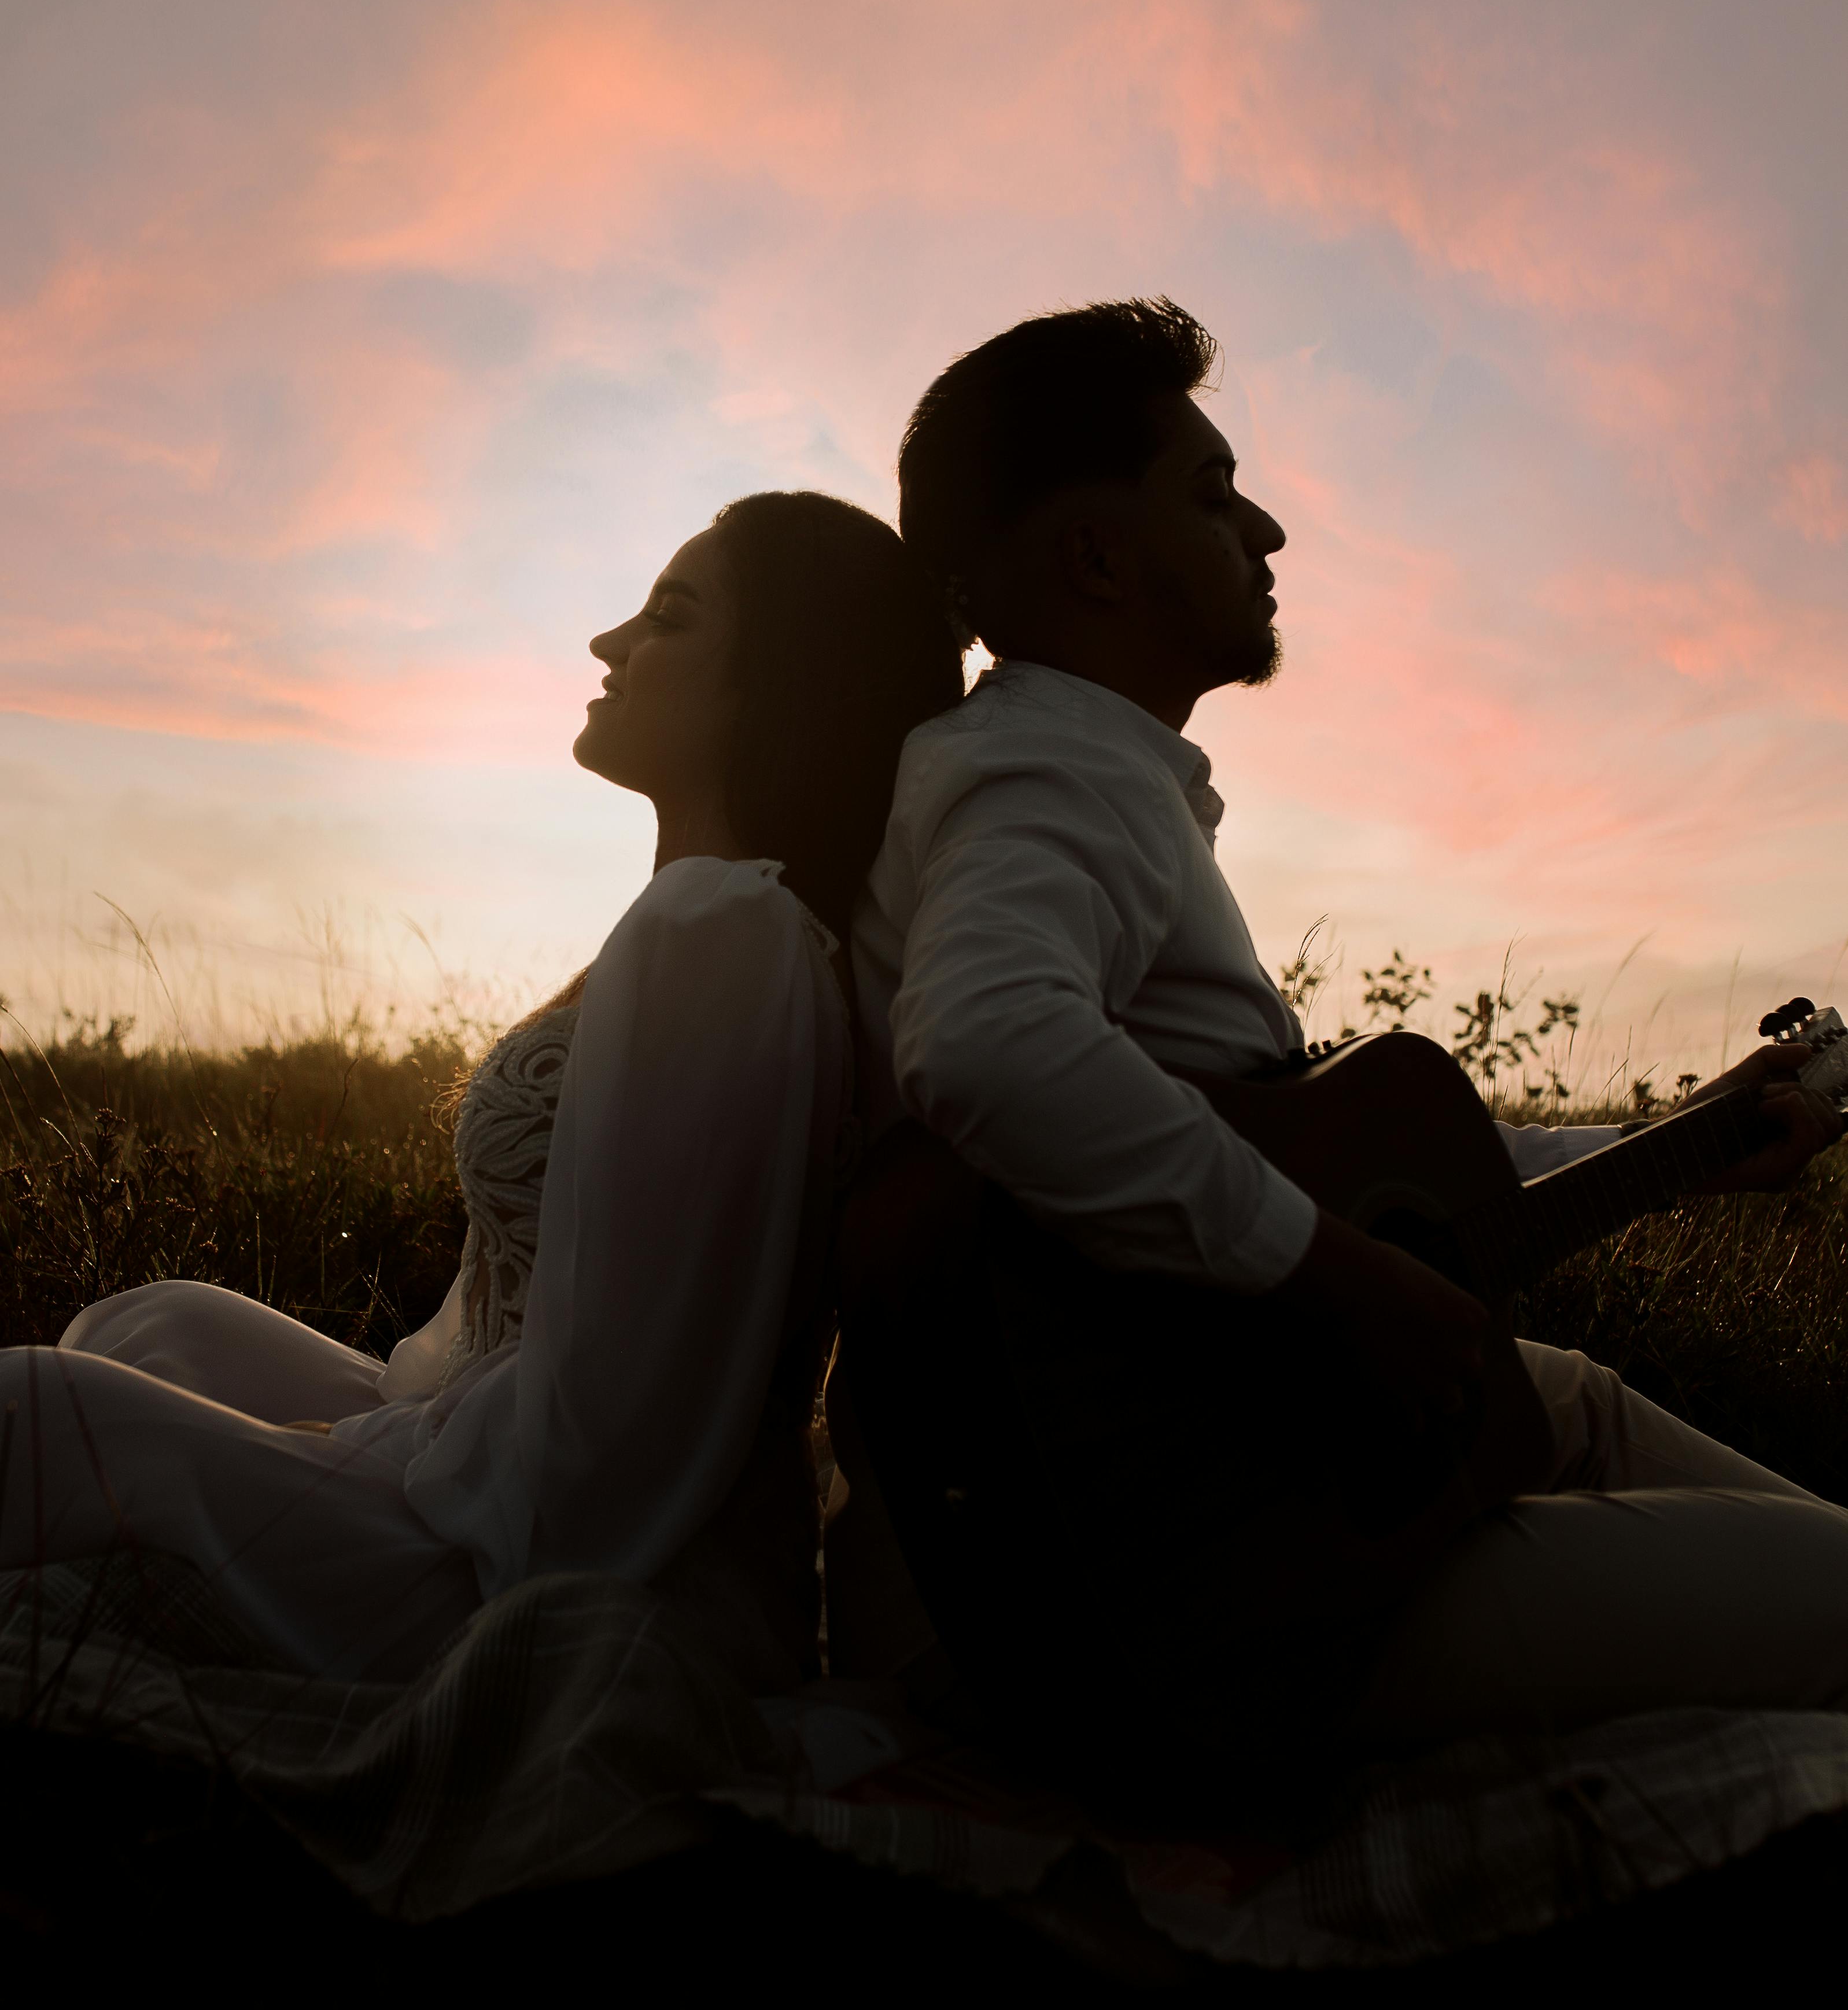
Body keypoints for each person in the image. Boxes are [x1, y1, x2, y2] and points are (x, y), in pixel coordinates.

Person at [837, 298, 1848, 1791]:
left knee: (1562, 1399)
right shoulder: (1050, 761)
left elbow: (1339, 1168)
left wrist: (1684, 1139)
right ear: (1096, 559)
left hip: (1159, 1517)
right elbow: (986, 1048)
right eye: (1208, 489)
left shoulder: (1062, 770)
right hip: (1158, 1591)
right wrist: (1332, 1278)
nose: (1266, 530)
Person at [13, 490, 963, 1691]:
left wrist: (347, 1457)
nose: (608, 643)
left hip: (534, 1571)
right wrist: (357, 1430)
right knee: (152, 1323)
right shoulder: (705, 919)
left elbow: (612, 1457)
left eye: (667, 616)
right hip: (474, 1447)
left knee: (38, 1408)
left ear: (781, 677)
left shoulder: (722, 930)